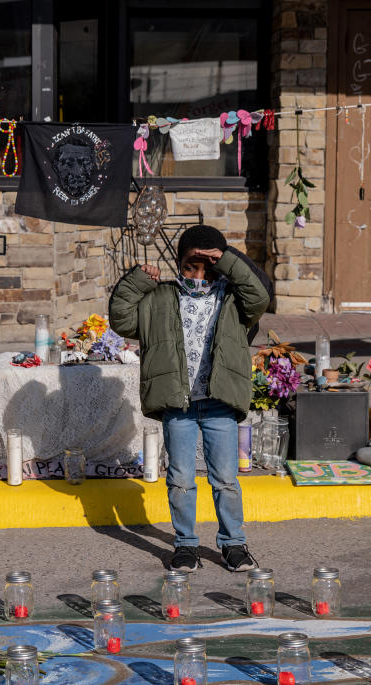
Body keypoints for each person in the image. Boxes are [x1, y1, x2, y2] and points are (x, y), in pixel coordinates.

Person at [109, 225, 272, 572]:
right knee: (181, 479)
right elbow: (121, 319)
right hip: (179, 405)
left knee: (225, 479)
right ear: (178, 264)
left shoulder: (232, 300)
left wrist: (226, 260)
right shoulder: (159, 298)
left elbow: (260, 297)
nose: (199, 275)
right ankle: (185, 545)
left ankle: (234, 544)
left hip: (219, 403)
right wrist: (137, 281)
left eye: (207, 269)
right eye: (190, 267)